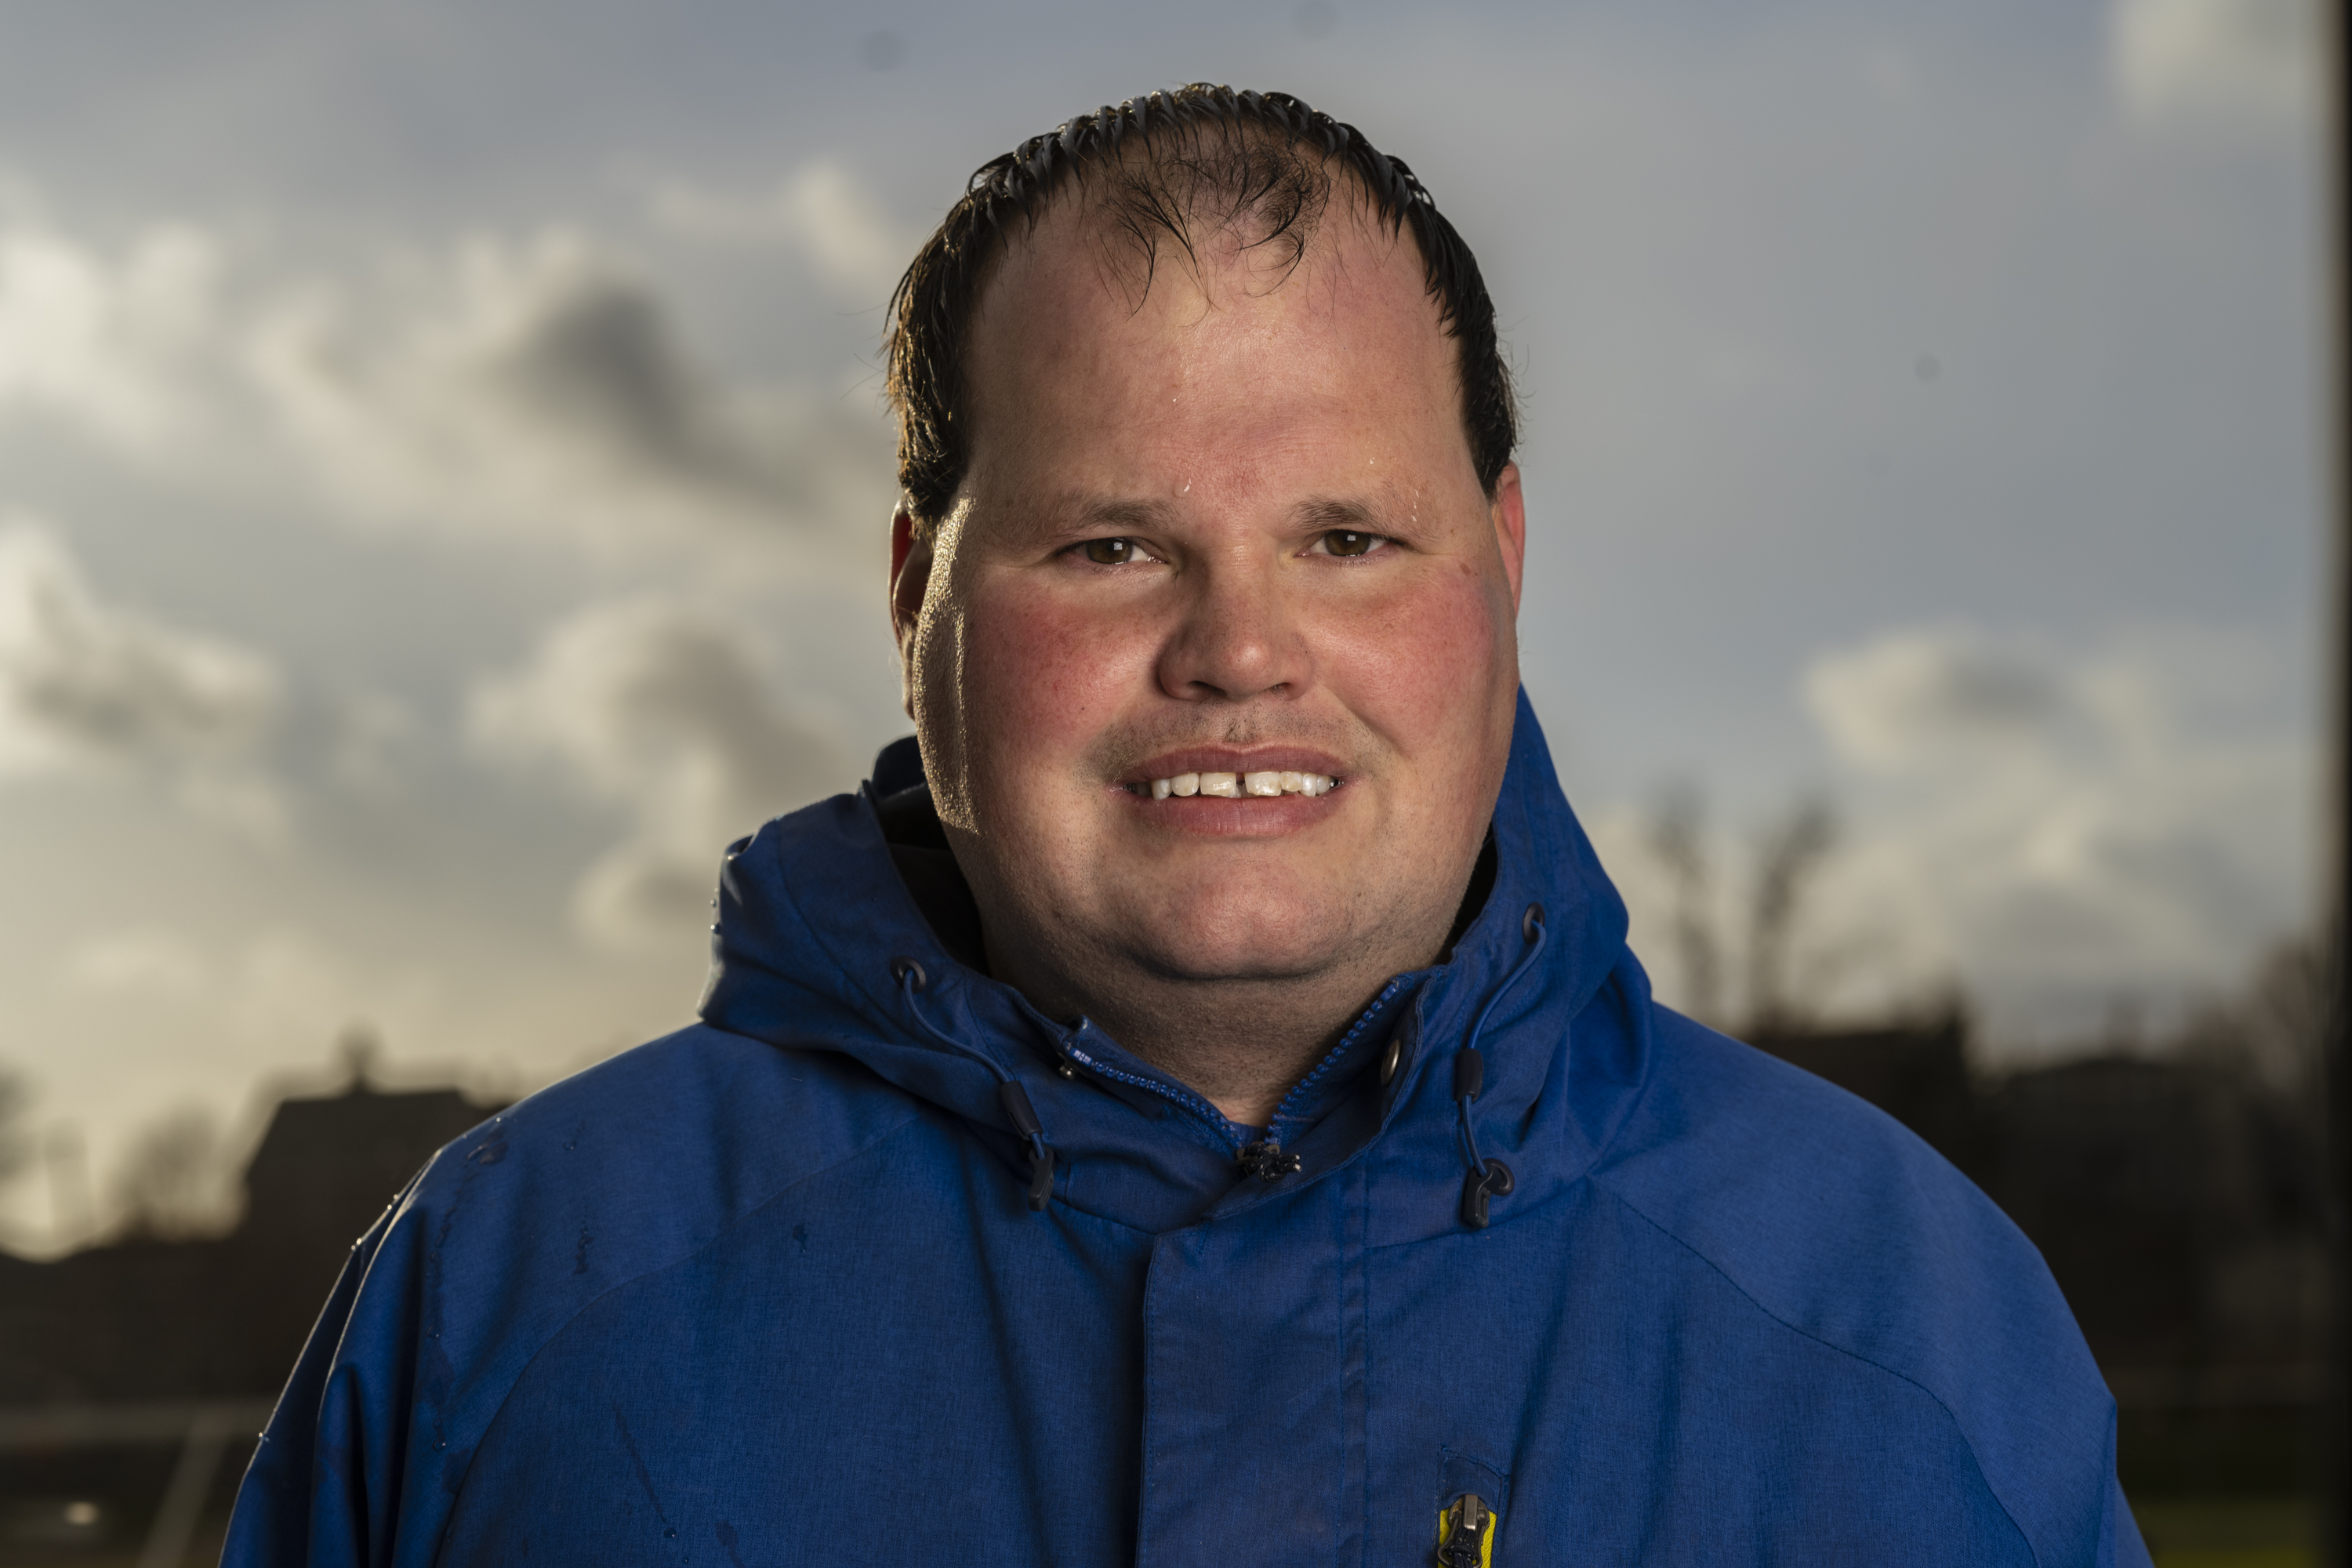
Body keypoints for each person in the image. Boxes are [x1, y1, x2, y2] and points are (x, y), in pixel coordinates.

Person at [223, 85, 2148, 1566]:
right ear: (917, 600)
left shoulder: (1909, 1326)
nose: (1238, 647)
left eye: (1348, 539)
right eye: (1114, 544)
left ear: (1505, 562)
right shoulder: (508, 1300)